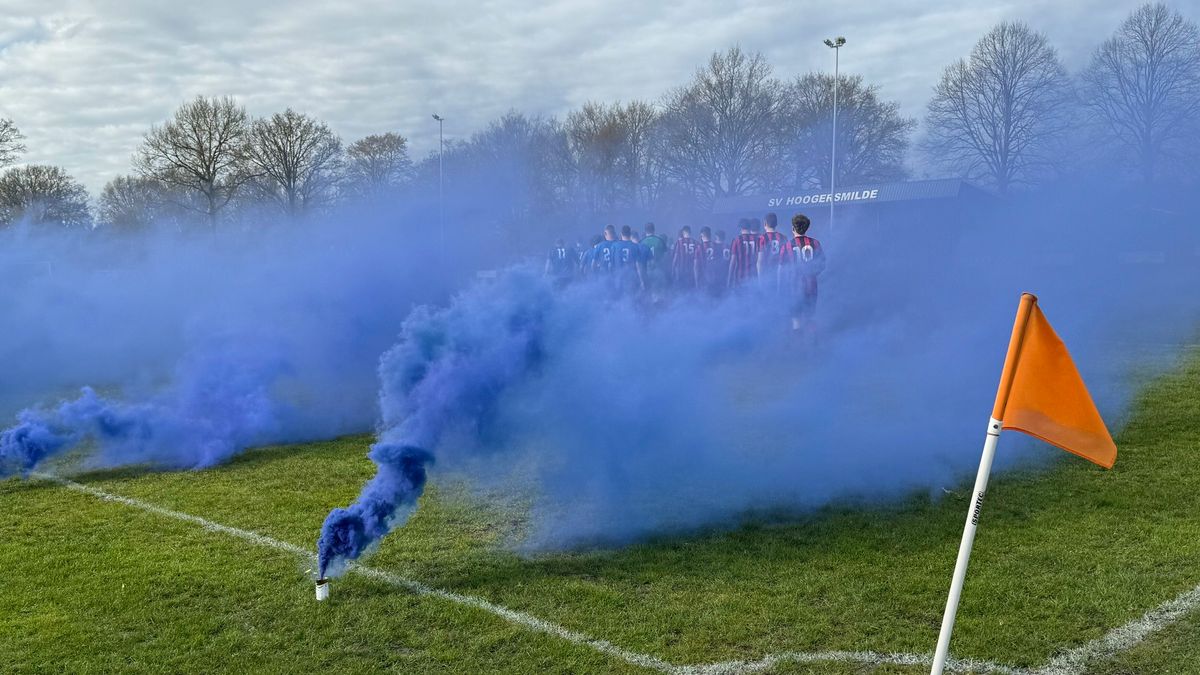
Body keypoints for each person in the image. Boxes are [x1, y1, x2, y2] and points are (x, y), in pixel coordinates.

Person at [786, 213, 826, 336]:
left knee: (796, 318)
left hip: (794, 286)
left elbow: (782, 269)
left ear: (793, 228)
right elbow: (822, 264)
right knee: (809, 317)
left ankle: (799, 348)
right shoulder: (816, 243)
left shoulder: (788, 245)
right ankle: (814, 345)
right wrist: (813, 274)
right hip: (811, 286)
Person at [756, 212, 792, 293]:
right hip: (781, 275)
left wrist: (759, 281)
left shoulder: (762, 238)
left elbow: (760, 261)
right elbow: (788, 260)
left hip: (767, 275)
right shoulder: (784, 238)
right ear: (776, 224)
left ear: (765, 223)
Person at [613, 225, 647, 293]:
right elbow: (638, 265)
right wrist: (642, 281)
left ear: (621, 234)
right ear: (630, 234)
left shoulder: (615, 246)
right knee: (631, 300)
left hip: (619, 278)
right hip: (631, 279)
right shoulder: (635, 247)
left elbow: (611, 264)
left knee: (619, 301)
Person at [727, 219, 759, 289]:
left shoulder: (736, 240)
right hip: (754, 277)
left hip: (740, 278)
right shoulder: (758, 239)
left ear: (740, 228)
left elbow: (733, 262)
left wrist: (729, 281)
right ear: (750, 227)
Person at [639, 222, 669, 293]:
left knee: (647, 293)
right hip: (658, 271)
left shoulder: (641, 242)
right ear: (654, 230)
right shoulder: (660, 241)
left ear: (645, 231)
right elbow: (666, 257)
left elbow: (639, 261)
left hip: (646, 272)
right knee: (658, 293)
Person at [694, 226, 723, 296]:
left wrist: (696, 281)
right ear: (710, 235)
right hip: (716, 279)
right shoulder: (717, 246)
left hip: (703, 279)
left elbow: (696, 266)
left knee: (705, 301)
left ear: (701, 235)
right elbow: (721, 264)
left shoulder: (699, 247)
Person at [670, 226, 699, 290]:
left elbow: (675, 257)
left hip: (681, 270)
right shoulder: (696, 243)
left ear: (683, 232)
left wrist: (673, 269)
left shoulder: (679, 242)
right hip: (692, 272)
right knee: (691, 290)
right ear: (690, 232)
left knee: (682, 290)